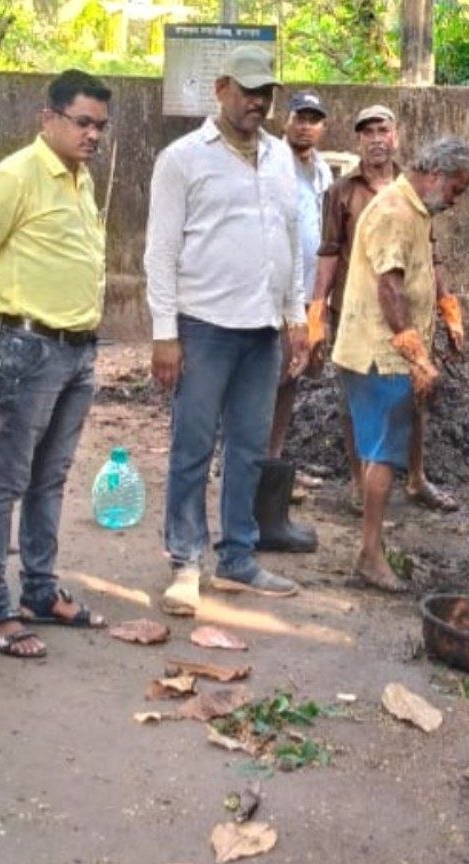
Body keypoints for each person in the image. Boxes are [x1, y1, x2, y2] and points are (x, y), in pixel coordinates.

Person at [145, 45, 309, 614]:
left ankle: (237, 557)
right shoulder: (183, 159)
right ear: (221, 90)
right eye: (247, 92)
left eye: (266, 94)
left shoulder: (282, 157)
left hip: (263, 330)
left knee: (248, 449)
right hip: (204, 327)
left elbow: (290, 241)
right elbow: (160, 252)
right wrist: (165, 333)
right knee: (192, 447)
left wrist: (297, 316)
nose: (257, 103)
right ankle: (185, 561)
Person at [0, 70, 111, 659]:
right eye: (83, 122)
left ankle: (40, 593)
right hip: (27, 346)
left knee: (51, 477)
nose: (93, 134)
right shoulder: (13, 177)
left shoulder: (82, 179)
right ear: (47, 118)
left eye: (100, 125)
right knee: (6, 479)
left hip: (78, 348)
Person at [330, 137, 469, 593]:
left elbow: (419, 274)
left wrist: (441, 316)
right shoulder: (395, 212)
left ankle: (371, 548)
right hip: (380, 352)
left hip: (377, 347)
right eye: (456, 189)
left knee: (382, 446)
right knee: (384, 455)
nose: (455, 201)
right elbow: (390, 289)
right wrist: (415, 353)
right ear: (435, 175)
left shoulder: (413, 210)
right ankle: (370, 555)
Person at [310, 105, 462, 513]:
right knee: (354, 405)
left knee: (413, 399)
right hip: (357, 312)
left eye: (383, 130)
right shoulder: (342, 192)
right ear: (358, 140)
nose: (376, 138)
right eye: (367, 132)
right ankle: (362, 485)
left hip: (406, 314)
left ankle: (415, 477)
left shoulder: (417, 188)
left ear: (395, 136)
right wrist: (315, 311)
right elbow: (328, 252)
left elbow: (429, 254)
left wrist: (446, 303)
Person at [258, 89, 332, 553]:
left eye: (313, 119)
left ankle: (273, 464)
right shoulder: (271, 162)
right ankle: (250, 472)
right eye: (299, 117)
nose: (305, 125)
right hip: (275, 295)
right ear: (286, 120)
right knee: (267, 381)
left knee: (291, 383)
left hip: (308, 298)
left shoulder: (321, 170)